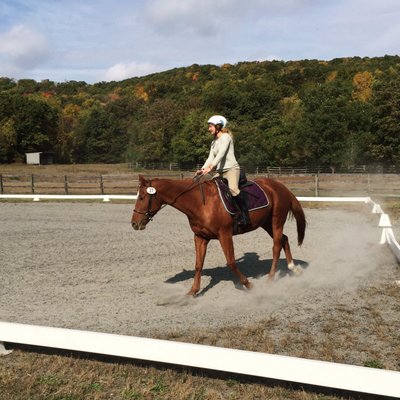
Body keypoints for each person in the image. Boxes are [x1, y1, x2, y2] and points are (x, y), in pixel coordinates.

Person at [196, 115, 250, 227]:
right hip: (220, 171)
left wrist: (210, 167)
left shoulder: (226, 137)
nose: (209, 129)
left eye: (210, 126)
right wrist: (203, 169)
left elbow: (221, 154)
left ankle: (245, 216)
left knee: (234, 190)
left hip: (231, 169)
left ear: (218, 126)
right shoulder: (214, 141)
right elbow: (210, 157)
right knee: (210, 189)